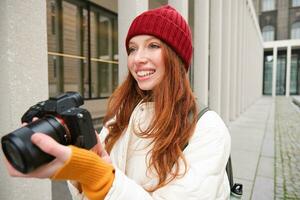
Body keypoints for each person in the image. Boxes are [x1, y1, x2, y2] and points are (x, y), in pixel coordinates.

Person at [4, 5, 231, 200]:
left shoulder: (208, 128)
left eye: (153, 45)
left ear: (177, 57)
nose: (137, 58)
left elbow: (103, 178)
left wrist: (103, 178)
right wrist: (79, 166)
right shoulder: (122, 114)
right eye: (133, 48)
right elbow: (90, 187)